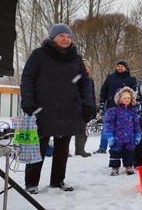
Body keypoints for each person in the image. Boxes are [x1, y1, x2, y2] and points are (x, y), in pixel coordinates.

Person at [20, 23, 96, 194]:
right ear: (53, 37)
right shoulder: (39, 55)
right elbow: (27, 78)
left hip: (68, 110)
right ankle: (31, 183)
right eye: (62, 35)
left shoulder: (76, 58)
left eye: (69, 37)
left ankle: (57, 181)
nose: (66, 39)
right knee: (38, 148)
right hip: (42, 110)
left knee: (62, 149)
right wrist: (28, 102)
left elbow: (84, 82)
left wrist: (88, 103)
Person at [95, 60, 137, 154]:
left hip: (126, 108)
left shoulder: (131, 79)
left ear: (126, 68)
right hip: (111, 106)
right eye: (118, 66)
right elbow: (104, 89)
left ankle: (124, 146)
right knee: (107, 127)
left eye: (122, 66)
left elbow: (134, 94)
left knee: (124, 128)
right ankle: (102, 147)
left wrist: (133, 105)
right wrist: (102, 102)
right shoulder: (110, 77)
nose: (120, 68)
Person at [104, 87, 141, 176]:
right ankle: (115, 167)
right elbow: (109, 123)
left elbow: (136, 124)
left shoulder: (133, 111)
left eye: (129, 98)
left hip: (129, 137)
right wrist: (109, 135)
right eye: (124, 98)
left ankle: (128, 166)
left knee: (129, 153)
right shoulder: (113, 111)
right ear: (119, 98)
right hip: (117, 137)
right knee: (115, 152)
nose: (127, 100)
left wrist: (138, 134)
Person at [72, 60, 95, 157]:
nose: (85, 68)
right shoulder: (75, 77)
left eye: (87, 67)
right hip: (73, 107)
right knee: (67, 130)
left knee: (82, 129)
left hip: (85, 108)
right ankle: (64, 151)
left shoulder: (90, 79)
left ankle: (80, 150)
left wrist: (92, 108)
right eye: (83, 66)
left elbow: (92, 94)